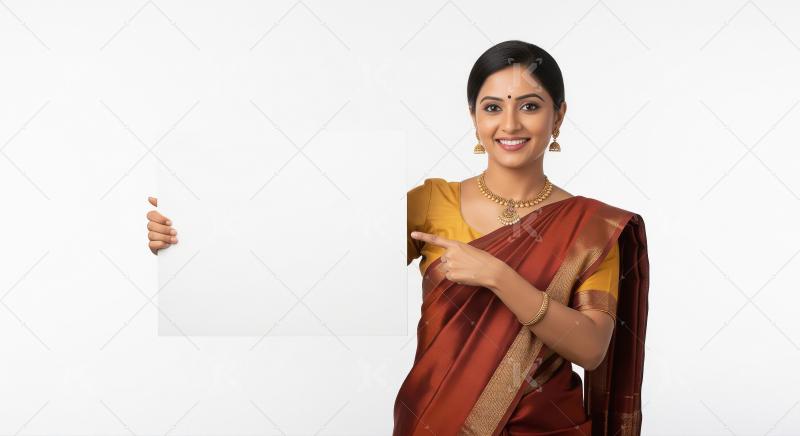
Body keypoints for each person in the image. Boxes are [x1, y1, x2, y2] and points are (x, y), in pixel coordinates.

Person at [145, 40, 649, 436]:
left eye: (530, 106)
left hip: (547, 428)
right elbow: (317, 260)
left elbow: (591, 348)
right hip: (435, 420)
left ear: (558, 116)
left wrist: (497, 276)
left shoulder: (591, 225)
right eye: (492, 107)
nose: (510, 124)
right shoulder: (432, 202)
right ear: (474, 117)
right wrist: (192, 241)